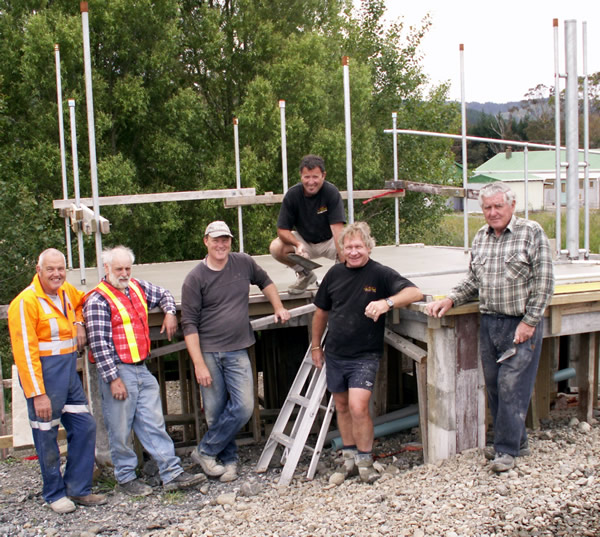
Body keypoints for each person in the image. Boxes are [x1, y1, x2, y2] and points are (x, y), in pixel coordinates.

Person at [425, 182, 554, 473]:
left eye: (498, 206)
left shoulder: (531, 233)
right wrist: (450, 298)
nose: (493, 212)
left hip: (519, 322)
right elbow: (473, 280)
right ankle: (518, 442)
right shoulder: (481, 237)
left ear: (512, 205)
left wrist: (529, 322)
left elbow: (544, 283)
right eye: (487, 207)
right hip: (490, 322)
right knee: (496, 386)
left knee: (512, 386)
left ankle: (505, 450)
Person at [84, 246, 205, 496]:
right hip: (118, 370)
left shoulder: (136, 287)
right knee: (120, 428)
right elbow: (99, 343)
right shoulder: (98, 299)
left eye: (128, 268)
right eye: (119, 269)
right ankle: (126, 478)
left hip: (141, 367)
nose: (124, 273)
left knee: (153, 423)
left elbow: (163, 294)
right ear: (107, 269)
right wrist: (113, 379)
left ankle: (171, 473)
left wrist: (170, 312)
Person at [311, 222, 423, 484]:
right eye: (348, 247)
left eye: (358, 246)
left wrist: (387, 303)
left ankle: (365, 461)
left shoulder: (380, 274)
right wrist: (316, 346)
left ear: (368, 247)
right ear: (342, 249)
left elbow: (414, 292)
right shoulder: (334, 275)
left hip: (365, 355)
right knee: (341, 406)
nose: (353, 251)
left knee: (358, 406)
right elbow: (321, 312)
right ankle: (348, 460)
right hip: (335, 353)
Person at [181, 220, 290, 482]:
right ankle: (227, 461)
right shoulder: (195, 278)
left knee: (243, 407)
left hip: (238, 348)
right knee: (216, 411)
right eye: (216, 239)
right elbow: (189, 324)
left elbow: (266, 281)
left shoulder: (243, 262)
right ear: (206, 241)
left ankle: (205, 451)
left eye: (225, 239)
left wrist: (278, 306)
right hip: (208, 352)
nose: (221, 244)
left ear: (230, 241)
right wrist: (198, 364)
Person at [8, 248, 107, 513]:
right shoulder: (25, 302)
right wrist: (37, 393)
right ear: (38, 271)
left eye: (60, 269)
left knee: (85, 426)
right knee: (46, 434)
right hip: (44, 377)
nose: (56, 274)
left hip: (67, 374)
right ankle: (53, 493)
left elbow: (82, 301)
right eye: (50, 269)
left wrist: (78, 322)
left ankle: (77, 488)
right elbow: (24, 353)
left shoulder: (65, 292)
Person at [270, 154, 346, 294]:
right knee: (275, 247)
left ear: (323, 175)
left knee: (353, 247)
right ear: (301, 176)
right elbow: (282, 230)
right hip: (305, 242)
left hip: (329, 241)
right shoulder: (293, 195)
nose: (311, 182)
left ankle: (342, 278)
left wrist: (344, 265)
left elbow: (338, 232)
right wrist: (298, 245)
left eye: (315, 177)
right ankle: (306, 274)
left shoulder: (331, 193)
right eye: (307, 177)